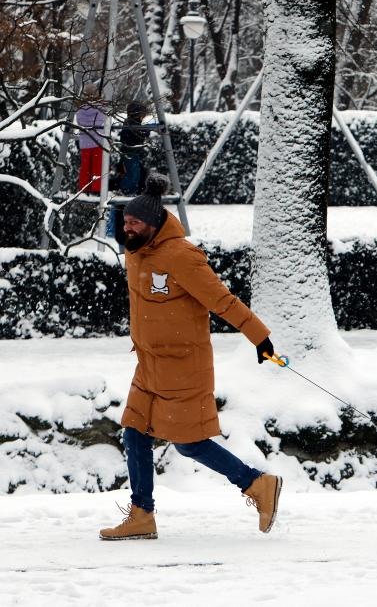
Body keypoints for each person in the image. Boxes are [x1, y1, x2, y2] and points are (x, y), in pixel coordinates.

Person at [99, 173, 282, 541]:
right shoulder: (136, 252)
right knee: (134, 432)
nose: (128, 228)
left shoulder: (181, 256)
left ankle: (258, 484)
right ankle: (142, 514)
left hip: (183, 367)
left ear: (154, 225)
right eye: (126, 221)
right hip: (149, 364)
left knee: (188, 443)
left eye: (135, 223)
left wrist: (260, 337)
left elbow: (222, 300)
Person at [76, 82, 106, 193]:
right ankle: (96, 189)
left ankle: (84, 188)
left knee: (85, 168)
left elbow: (79, 122)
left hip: (84, 142)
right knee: (97, 167)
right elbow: (103, 121)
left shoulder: (80, 109)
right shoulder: (100, 108)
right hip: (98, 141)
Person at [118, 100, 151, 196]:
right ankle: (127, 190)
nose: (143, 117)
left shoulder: (132, 123)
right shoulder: (131, 124)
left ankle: (132, 190)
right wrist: (146, 131)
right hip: (129, 153)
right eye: (142, 115)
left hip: (133, 153)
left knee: (136, 173)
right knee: (132, 173)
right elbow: (139, 134)